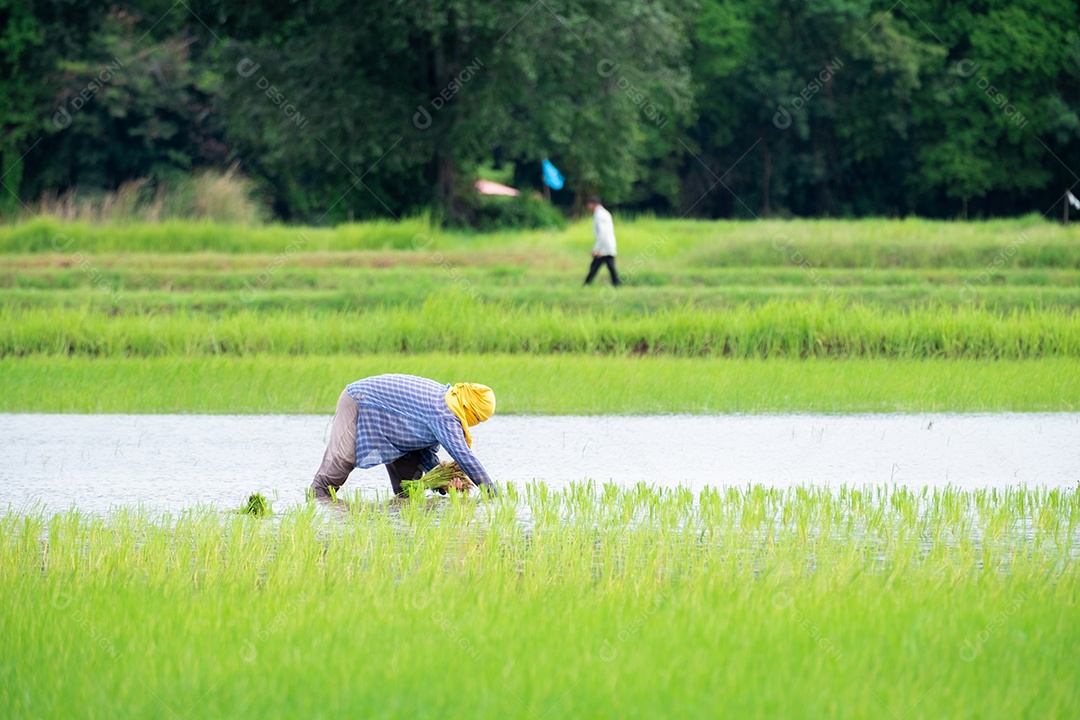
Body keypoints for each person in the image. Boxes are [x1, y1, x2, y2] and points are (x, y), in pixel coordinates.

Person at [310, 373, 497, 500]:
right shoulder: (444, 412)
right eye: (478, 418)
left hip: (395, 429)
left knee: (408, 493)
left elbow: (426, 454)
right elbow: (464, 457)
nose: (476, 423)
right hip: (360, 401)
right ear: (470, 407)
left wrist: (443, 484)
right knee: (341, 462)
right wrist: (493, 495)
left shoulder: (446, 403)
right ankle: (314, 506)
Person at [584, 195, 622, 287]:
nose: (588, 207)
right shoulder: (603, 213)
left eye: (589, 204)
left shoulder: (600, 215)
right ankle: (617, 284)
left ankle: (586, 285)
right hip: (607, 245)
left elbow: (602, 233)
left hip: (604, 246)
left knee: (595, 266)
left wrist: (597, 248)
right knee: (610, 267)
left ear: (593, 204)